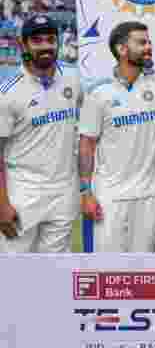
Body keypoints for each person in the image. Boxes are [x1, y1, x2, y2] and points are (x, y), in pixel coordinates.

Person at [79, 21, 155, 252]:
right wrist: (86, 192)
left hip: (151, 195)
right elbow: (87, 145)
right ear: (121, 49)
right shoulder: (99, 94)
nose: (149, 47)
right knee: (109, 267)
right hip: (110, 196)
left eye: (149, 42)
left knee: (144, 267)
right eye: (141, 42)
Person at [0, 15, 81, 252]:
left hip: (64, 191)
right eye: (36, 40)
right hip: (22, 193)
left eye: (50, 39)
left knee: (56, 271)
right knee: (14, 270)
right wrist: (2, 204)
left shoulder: (73, 78)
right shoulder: (8, 93)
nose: (45, 46)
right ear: (23, 45)